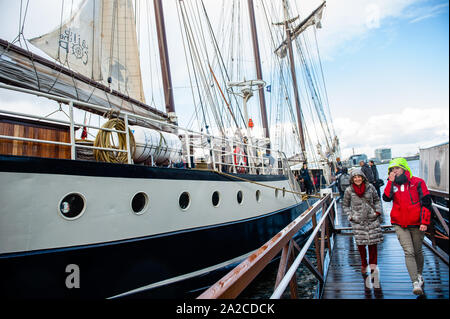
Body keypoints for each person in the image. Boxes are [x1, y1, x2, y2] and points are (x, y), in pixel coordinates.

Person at [382, 158, 432, 296]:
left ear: (404, 168)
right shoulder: (392, 184)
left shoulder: (418, 182)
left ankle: (419, 274)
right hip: (399, 223)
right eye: (391, 169)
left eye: (396, 168)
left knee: (417, 251)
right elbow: (386, 198)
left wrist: (424, 222)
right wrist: (390, 181)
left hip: (417, 223)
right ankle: (415, 282)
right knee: (409, 252)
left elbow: (427, 202)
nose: (394, 171)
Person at [342, 169, 383, 277]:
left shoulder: (370, 187)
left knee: (373, 244)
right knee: (361, 244)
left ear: (363, 177)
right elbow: (345, 205)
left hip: (371, 218)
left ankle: (373, 265)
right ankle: (364, 264)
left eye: (359, 177)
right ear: (352, 179)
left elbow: (377, 200)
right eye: (355, 177)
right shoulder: (349, 190)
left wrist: (377, 211)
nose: (357, 179)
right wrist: (350, 216)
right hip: (358, 221)